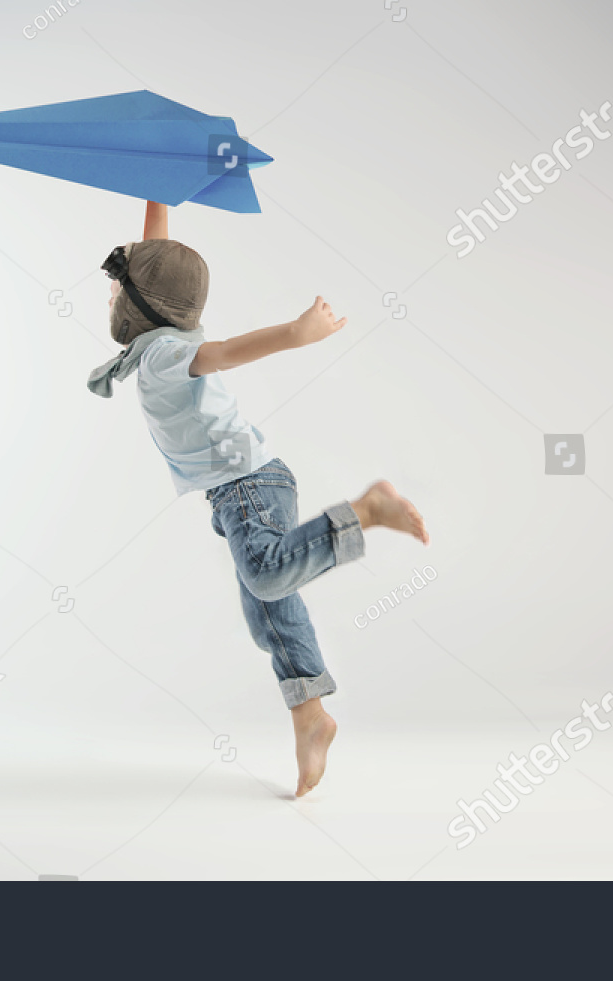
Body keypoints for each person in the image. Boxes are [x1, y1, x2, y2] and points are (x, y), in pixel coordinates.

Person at [87, 201, 428, 797]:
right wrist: (157, 199)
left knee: (267, 577)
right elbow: (156, 264)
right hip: (240, 490)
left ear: (139, 308)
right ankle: (310, 715)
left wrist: (298, 334)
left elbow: (225, 350)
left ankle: (367, 511)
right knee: (268, 609)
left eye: (116, 292)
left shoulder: (167, 352)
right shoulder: (160, 339)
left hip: (248, 487)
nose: (110, 300)